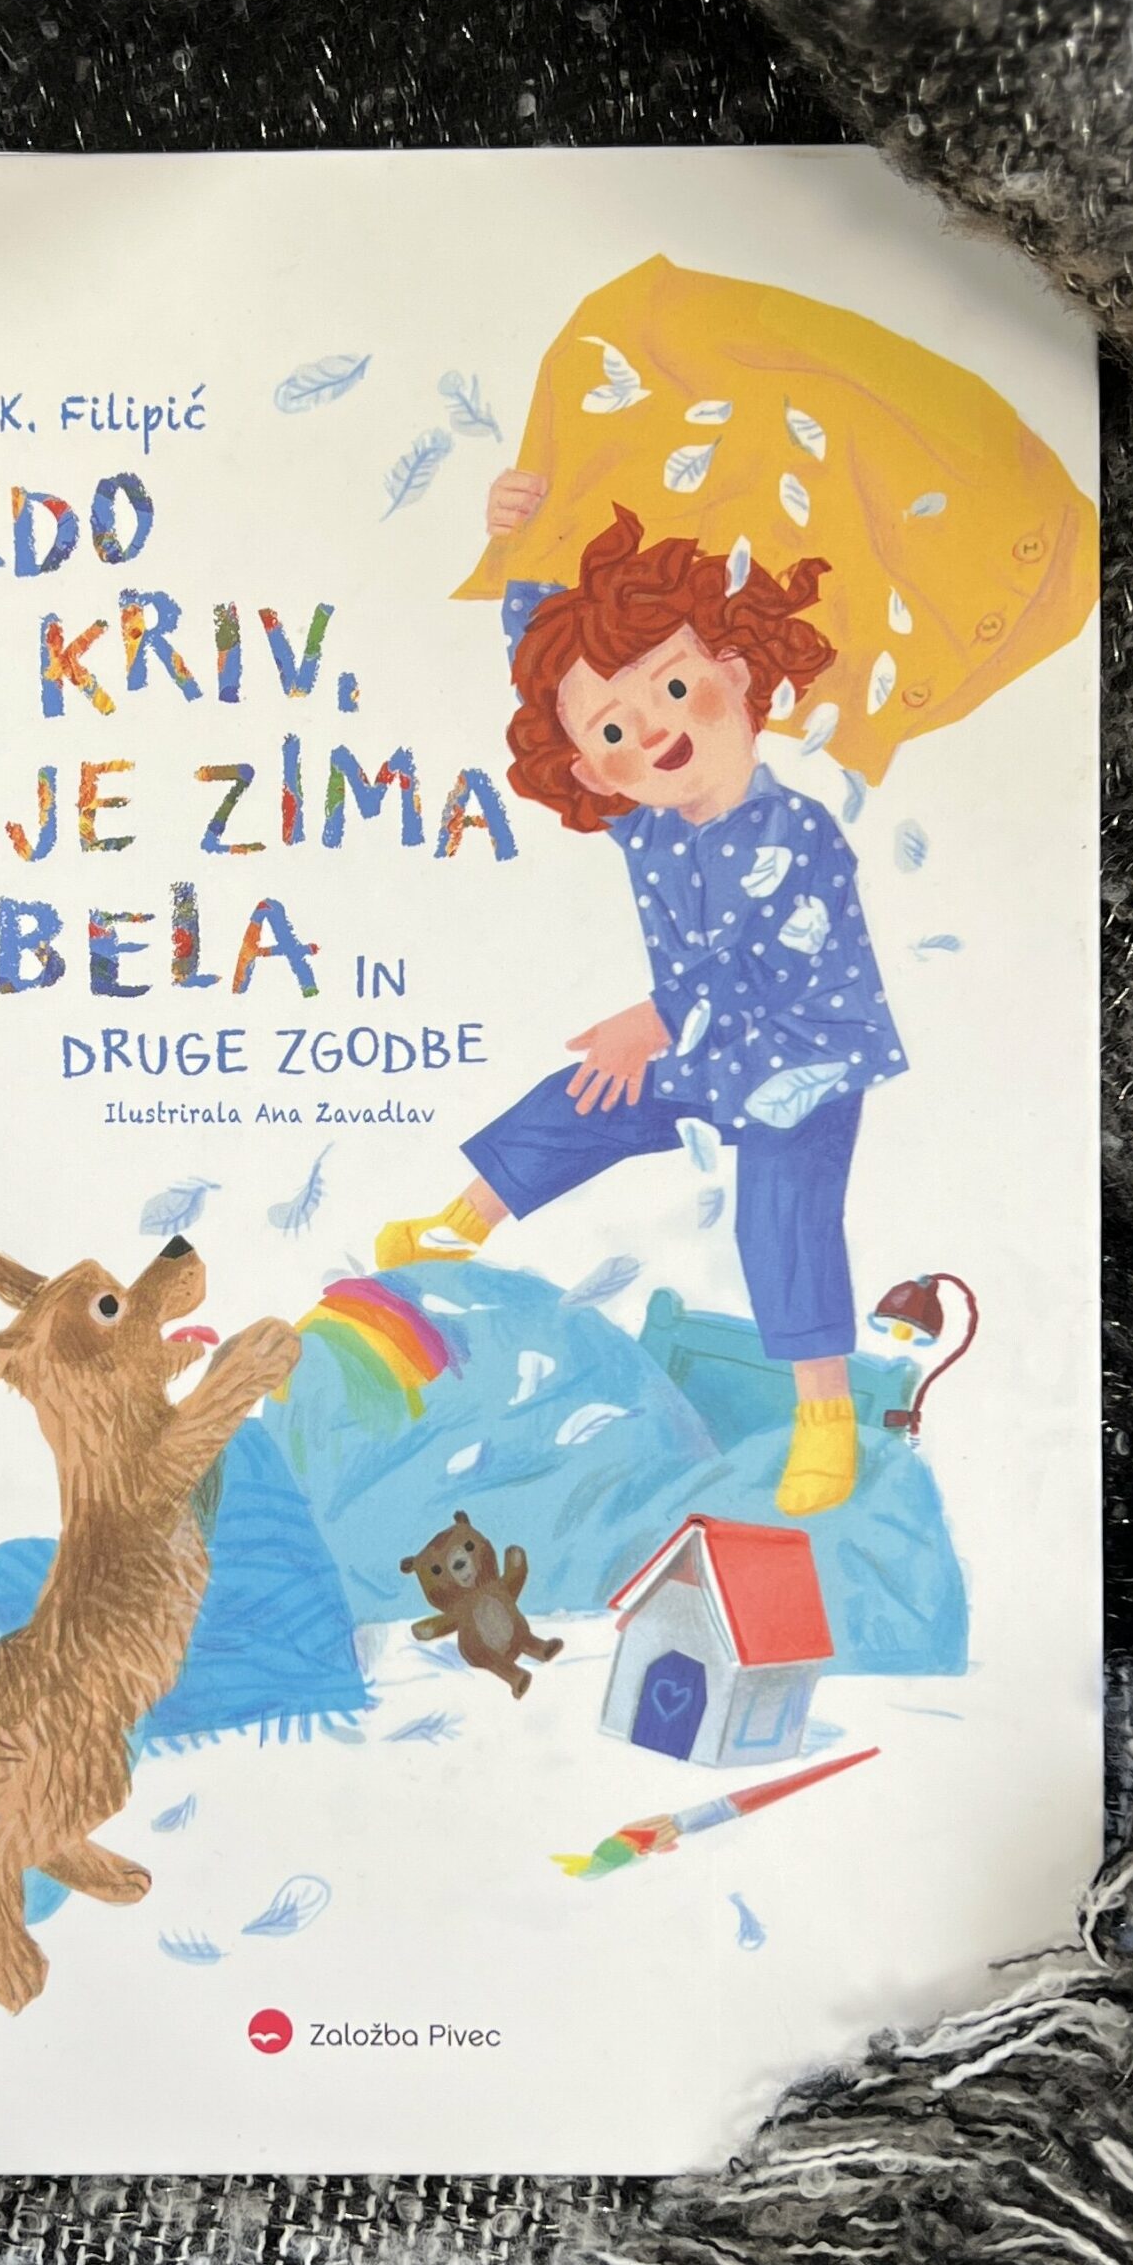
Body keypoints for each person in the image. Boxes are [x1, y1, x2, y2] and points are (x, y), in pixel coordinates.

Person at [379, 499, 902, 1516]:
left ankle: (825, 1417)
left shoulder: (795, 829)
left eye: (672, 686)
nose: (654, 728)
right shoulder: (649, 827)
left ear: (736, 676)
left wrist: (653, 1020)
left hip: (805, 1058)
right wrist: (522, 542)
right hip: (698, 1051)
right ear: (589, 766)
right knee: (585, 1095)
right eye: (614, 729)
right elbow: (549, 657)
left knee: (781, 1221)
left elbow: (761, 958)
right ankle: (456, 1224)